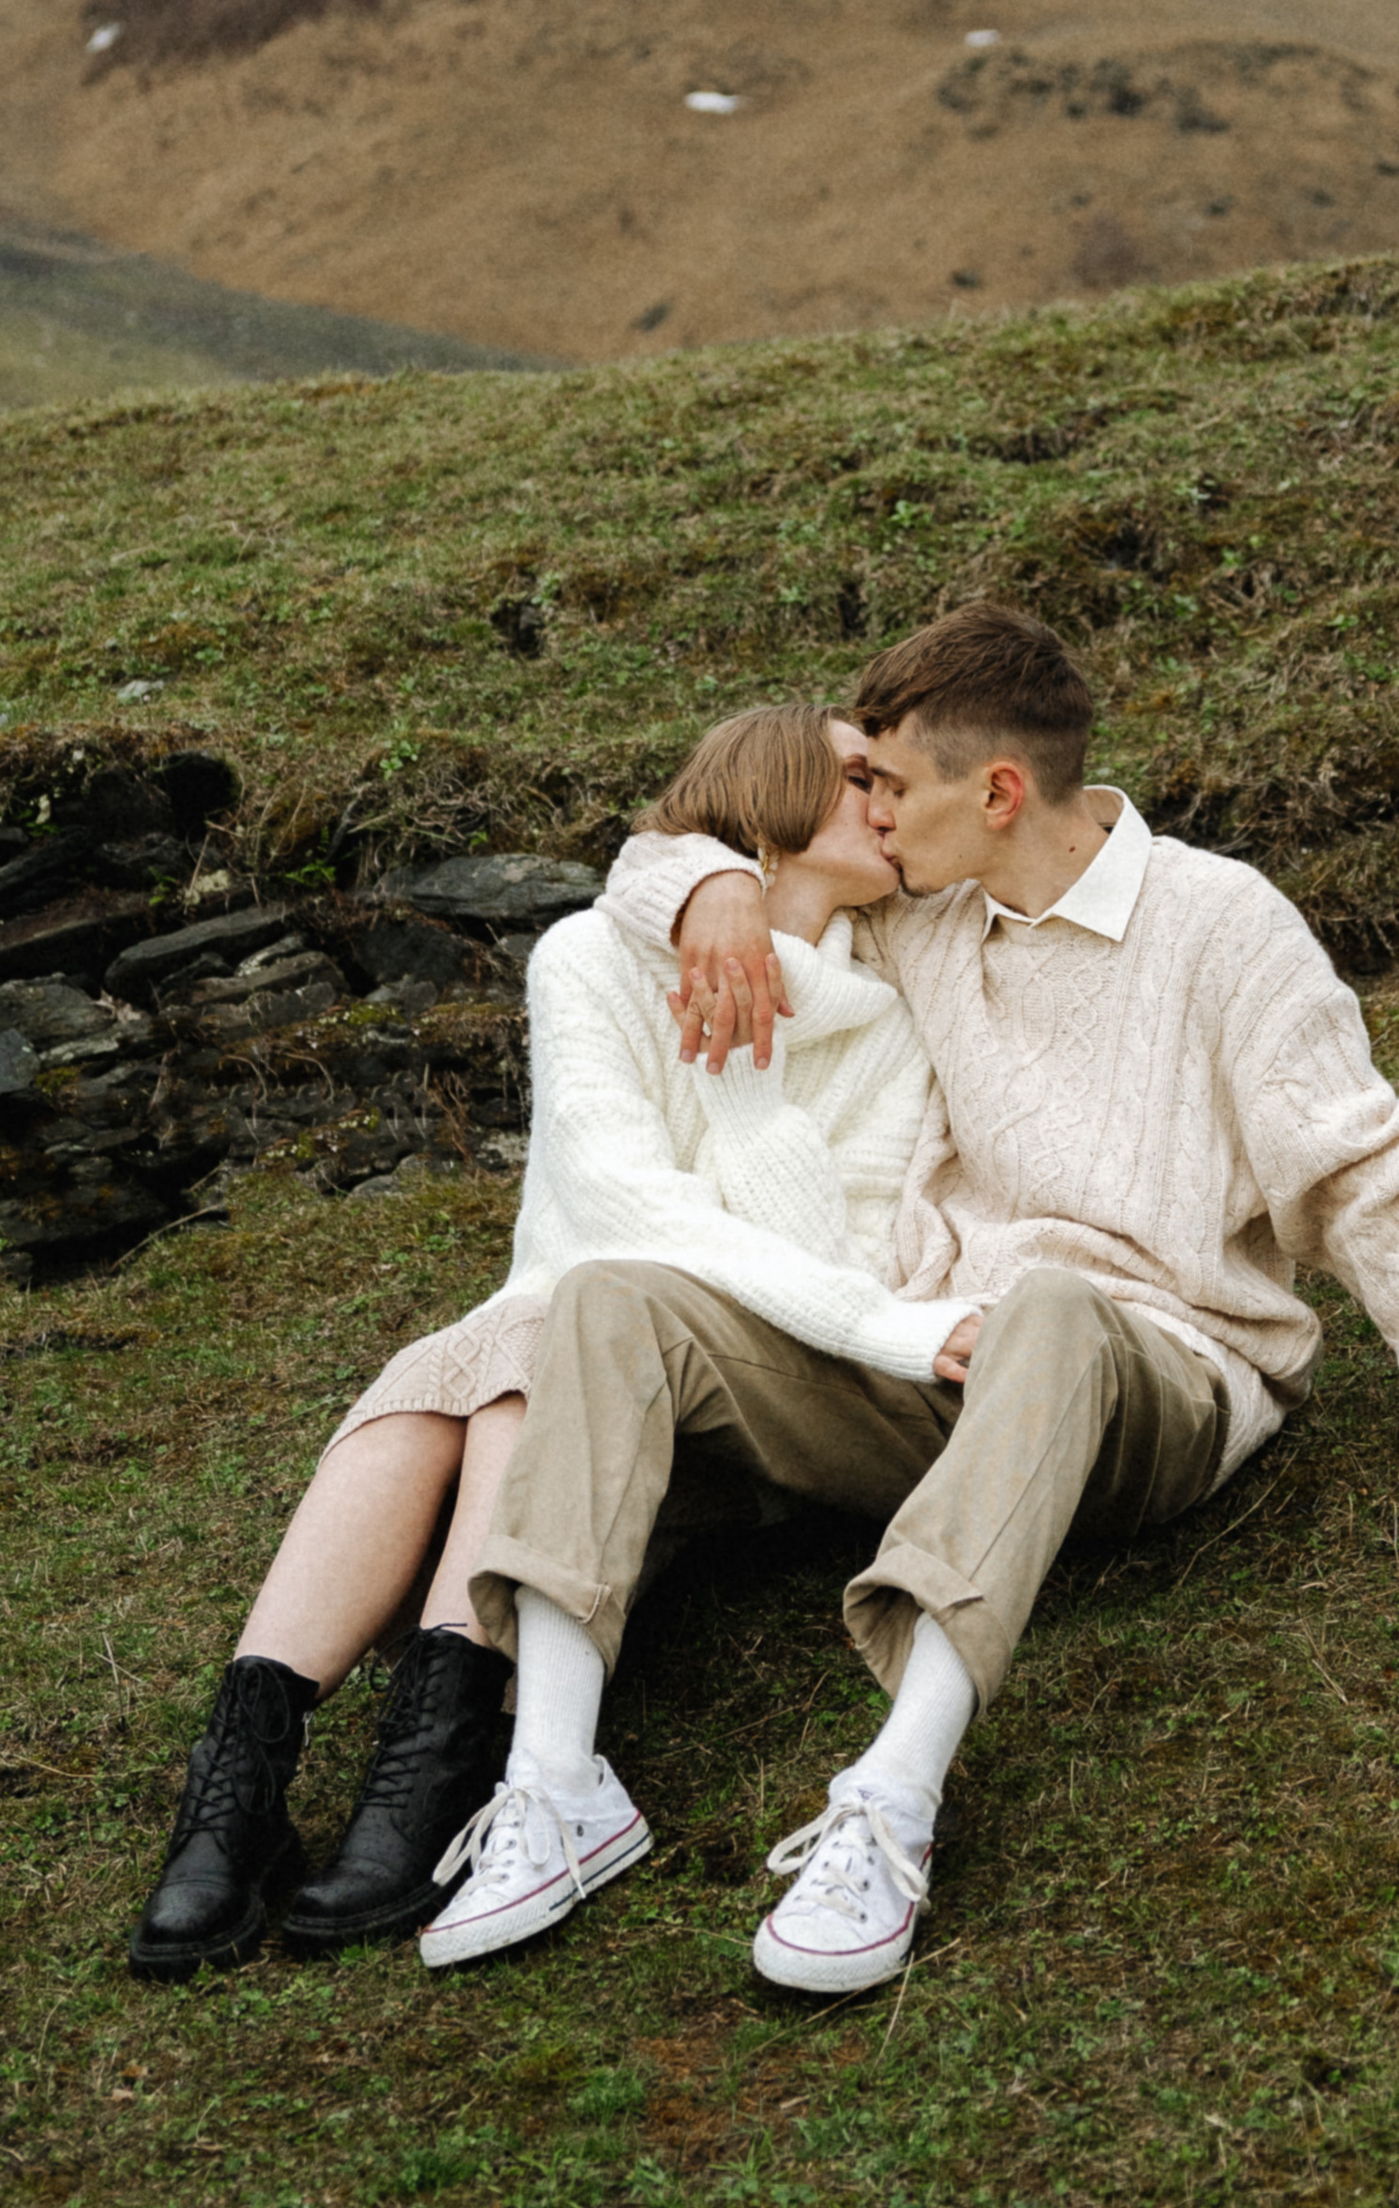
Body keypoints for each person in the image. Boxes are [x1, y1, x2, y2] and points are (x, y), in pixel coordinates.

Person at [460, 605, 1399, 1999]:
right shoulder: (926, 915)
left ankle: (895, 1797)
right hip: (944, 1372)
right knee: (614, 1296)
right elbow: (668, 844)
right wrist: (706, 889)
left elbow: (1370, 1182)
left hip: (1160, 1373)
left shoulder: (1223, 928)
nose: (873, 818)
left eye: (892, 787)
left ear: (1000, 793)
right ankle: (557, 1781)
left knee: (1056, 1304)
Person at [126, 704, 952, 1980]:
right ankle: (239, 1787)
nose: (890, 801)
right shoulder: (582, 955)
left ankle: (436, 1759)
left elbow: (835, 1260)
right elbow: (611, 1197)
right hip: (561, 1311)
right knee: (439, 1391)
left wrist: (742, 1083)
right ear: (763, 814)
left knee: (531, 1358)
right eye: (857, 779)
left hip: (726, 1370)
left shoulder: (887, 1021)